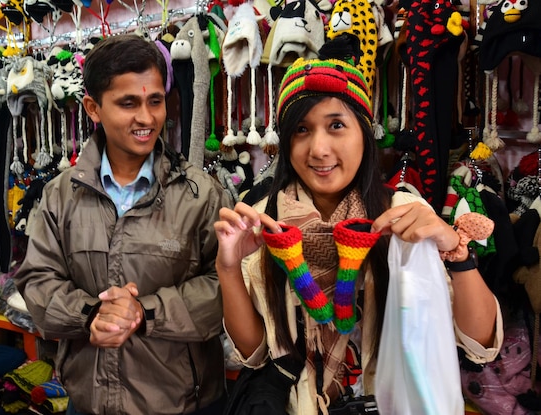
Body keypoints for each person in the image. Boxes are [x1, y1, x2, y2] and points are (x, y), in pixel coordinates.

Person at [213, 37, 503, 414]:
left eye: (336, 125)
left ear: (364, 133)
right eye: (301, 130)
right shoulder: (266, 218)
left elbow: (480, 343)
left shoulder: (401, 214)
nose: (318, 149)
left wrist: (457, 254)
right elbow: (254, 354)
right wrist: (229, 269)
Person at [14, 34, 232, 415]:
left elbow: (226, 291)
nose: (146, 118)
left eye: (155, 101)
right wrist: (91, 315)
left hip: (184, 404)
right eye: (127, 103)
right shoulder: (60, 195)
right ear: (93, 108)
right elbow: (36, 282)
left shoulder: (199, 194)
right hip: (89, 401)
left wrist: (143, 313)